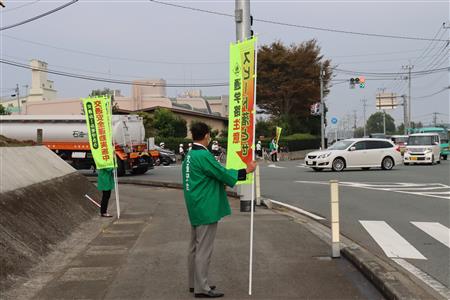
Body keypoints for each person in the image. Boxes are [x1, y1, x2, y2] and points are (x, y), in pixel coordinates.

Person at [182, 122, 256, 298]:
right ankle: (202, 288)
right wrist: (246, 170)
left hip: (194, 204)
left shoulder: (189, 155)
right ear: (207, 135)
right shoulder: (204, 156)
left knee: (194, 247)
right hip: (206, 205)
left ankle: (195, 283)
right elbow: (221, 173)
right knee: (204, 248)